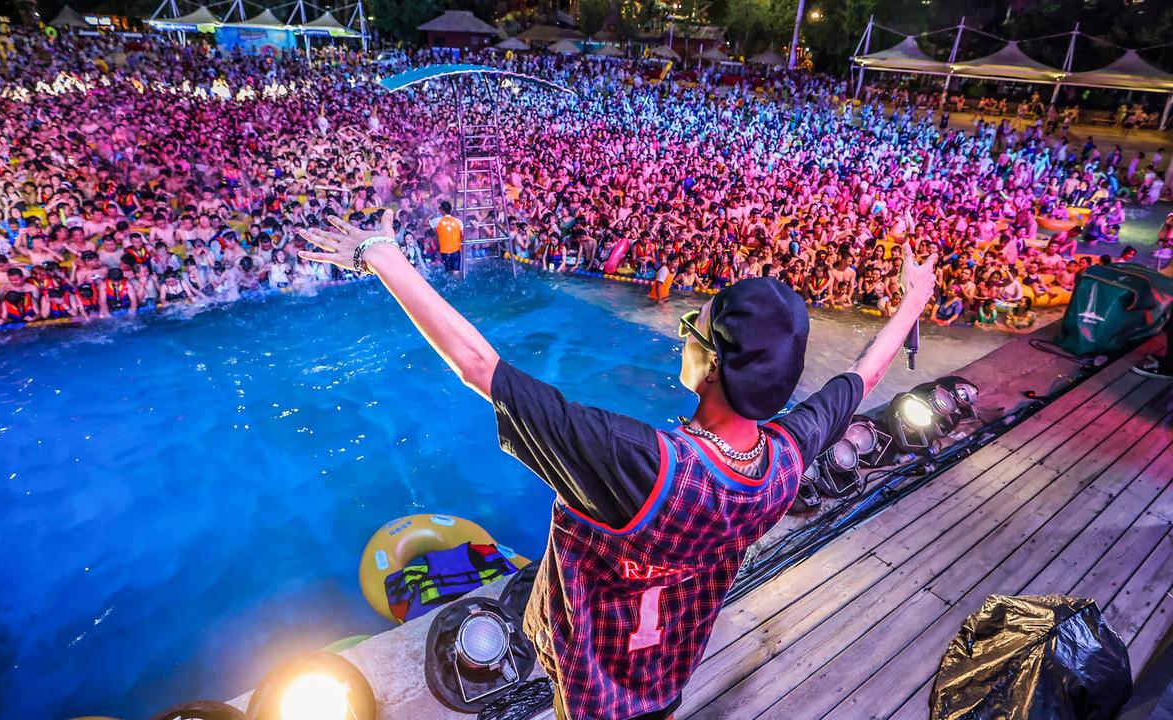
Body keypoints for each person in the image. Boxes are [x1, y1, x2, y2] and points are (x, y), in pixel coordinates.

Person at [297, 214, 938, 720]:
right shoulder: (782, 462)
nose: (684, 332)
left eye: (695, 325)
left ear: (713, 365)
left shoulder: (637, 464)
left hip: (593, 687)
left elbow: (479, 368)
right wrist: (912, 304)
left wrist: (381, 257)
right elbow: (862, 378)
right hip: (668, 672)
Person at [436, 201, 463, 274]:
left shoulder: (437, 221)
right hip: (456, 250)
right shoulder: (458, 221)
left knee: (448, 273)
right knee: (456, 273)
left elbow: (424, 223)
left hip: (445, 251)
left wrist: (431, 214)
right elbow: (463, 236)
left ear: (441, 210)